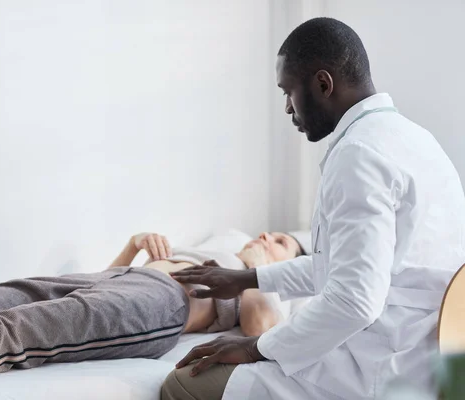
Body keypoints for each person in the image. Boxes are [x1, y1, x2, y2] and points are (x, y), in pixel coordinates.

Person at [161, 17, 465, 400]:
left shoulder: (359, 155)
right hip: (432, 359)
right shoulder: (416, 140)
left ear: (323, 84)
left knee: (183, 385)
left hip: (381, 371)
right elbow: (346, 263)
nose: (288, 108)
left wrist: (257, 346)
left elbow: (355, 301)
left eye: (289, 91)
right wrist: (247, 279)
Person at [0, 230, 304, 390]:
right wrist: (132, 247)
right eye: (270, 234)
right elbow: (95, 299)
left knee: (22, 328)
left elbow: (259, 329)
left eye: (282, 242)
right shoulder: (214, 246)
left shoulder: (265, 284)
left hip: (164, 303)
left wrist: (256, 268)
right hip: (117, 279)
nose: (268, 236)